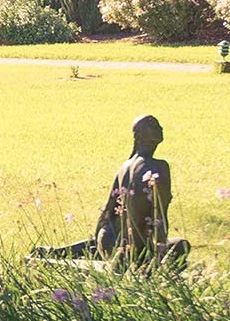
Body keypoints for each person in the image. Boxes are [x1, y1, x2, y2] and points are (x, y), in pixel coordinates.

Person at [32, 114, 191, 271]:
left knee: (118, 236)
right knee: (182, 245)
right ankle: (124, 262)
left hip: (107, 241)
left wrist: (99, 239)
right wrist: (154, 254)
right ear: (141, 134)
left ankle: (61, 252)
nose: (160, 128)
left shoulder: (125, 167)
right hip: (133, 249)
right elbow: (159, 217)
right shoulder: (159, 167)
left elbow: (108, 212)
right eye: (154, 126)